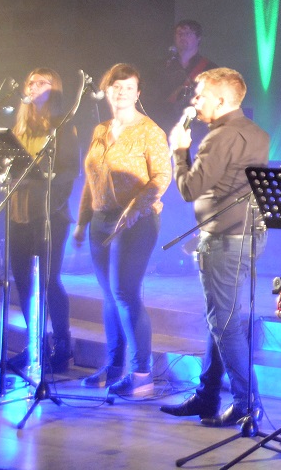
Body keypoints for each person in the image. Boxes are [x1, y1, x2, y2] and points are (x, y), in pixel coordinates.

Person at [160, 67, 270, 429]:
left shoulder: (218, 138)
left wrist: (179, 152)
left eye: (200, 94)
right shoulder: (256, 133)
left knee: (224, 324)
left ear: (222, 100)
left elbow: (190, 188)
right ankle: (208, 396)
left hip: (225, 240)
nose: (194, 100)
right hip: (246, 235)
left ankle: (245, 402)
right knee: (221, 319)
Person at [73, 63, 170, 398]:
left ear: (137, 93)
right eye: (116, 86)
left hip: (136, 220)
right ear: (107, 90)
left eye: (128, 87)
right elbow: (92, 179)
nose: (121, 92)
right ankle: (114, 367)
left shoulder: (150, 131)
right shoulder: (101, 129)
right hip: (101, 219)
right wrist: (82, 221)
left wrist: (137, 206)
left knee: (126, 294)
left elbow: (162, 178)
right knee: (110, 296)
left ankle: (142, 374)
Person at [5, 69, 85, 374]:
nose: (34, 86)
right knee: (23, 281)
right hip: (18, 212)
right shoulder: (18, 127)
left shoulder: (62, 126)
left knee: (49, 281)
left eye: (42, 82)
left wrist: (46, 194)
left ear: (55, 90)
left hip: (50, 215)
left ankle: (63, 346)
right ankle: (35, 344)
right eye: (31, 82)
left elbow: (68, 172)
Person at [156, 20, 217, 125]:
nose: (182, 37)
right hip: (166, 121)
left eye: (187, 33)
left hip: (198, 124)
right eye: (179, 33)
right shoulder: (162, 66)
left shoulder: (210, 69)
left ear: (198, 38)